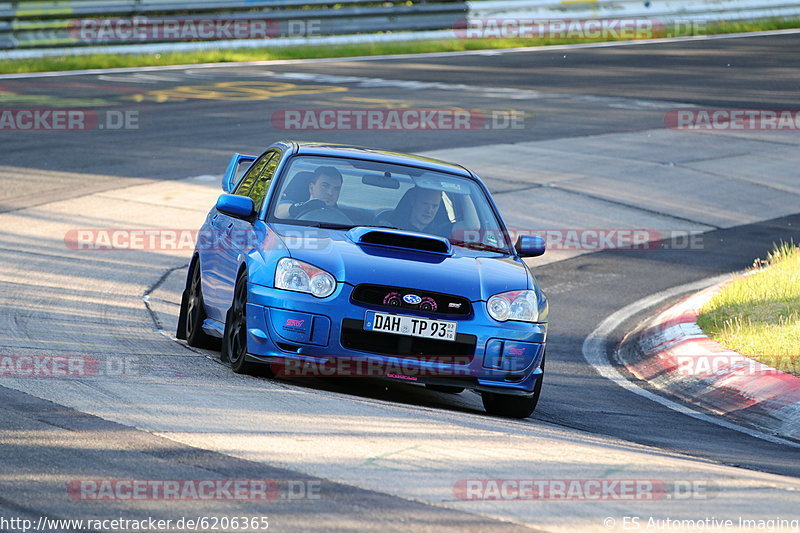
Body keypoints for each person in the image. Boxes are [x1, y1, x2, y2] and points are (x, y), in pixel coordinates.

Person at [276, 166, 343, 219]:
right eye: (325, 186)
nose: (330, 192)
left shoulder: (344, 220)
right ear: (311, 188)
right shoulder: (297, 208)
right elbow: (277, 212)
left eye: (336, 189)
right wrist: (302, 208)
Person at [381, 187, 451, 236]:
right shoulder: (390, 229)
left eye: (434, 206)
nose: (429, 210)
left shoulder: (446, 234)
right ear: (413, 201)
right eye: (425, 204)